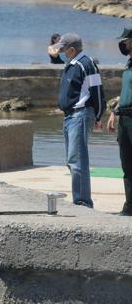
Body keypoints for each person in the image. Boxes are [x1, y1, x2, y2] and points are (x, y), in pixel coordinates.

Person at [54, 33, 106, 208]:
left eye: (62, 49)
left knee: (77, 161)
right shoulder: (72, 64)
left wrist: (98, 116)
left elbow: (97, 91)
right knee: (72, 161)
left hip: (80, 115)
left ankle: (83, 202)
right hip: (70, 116)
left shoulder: (86, 64)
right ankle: (80, 199)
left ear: (72, 49)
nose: (60, 51)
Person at [107, 28, 132, 216]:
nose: (123, 45)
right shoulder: (128, 64)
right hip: (124, 118)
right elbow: (126, 95)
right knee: (127, 163)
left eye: (126, 41)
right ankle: (129, 206)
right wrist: (114, 111)